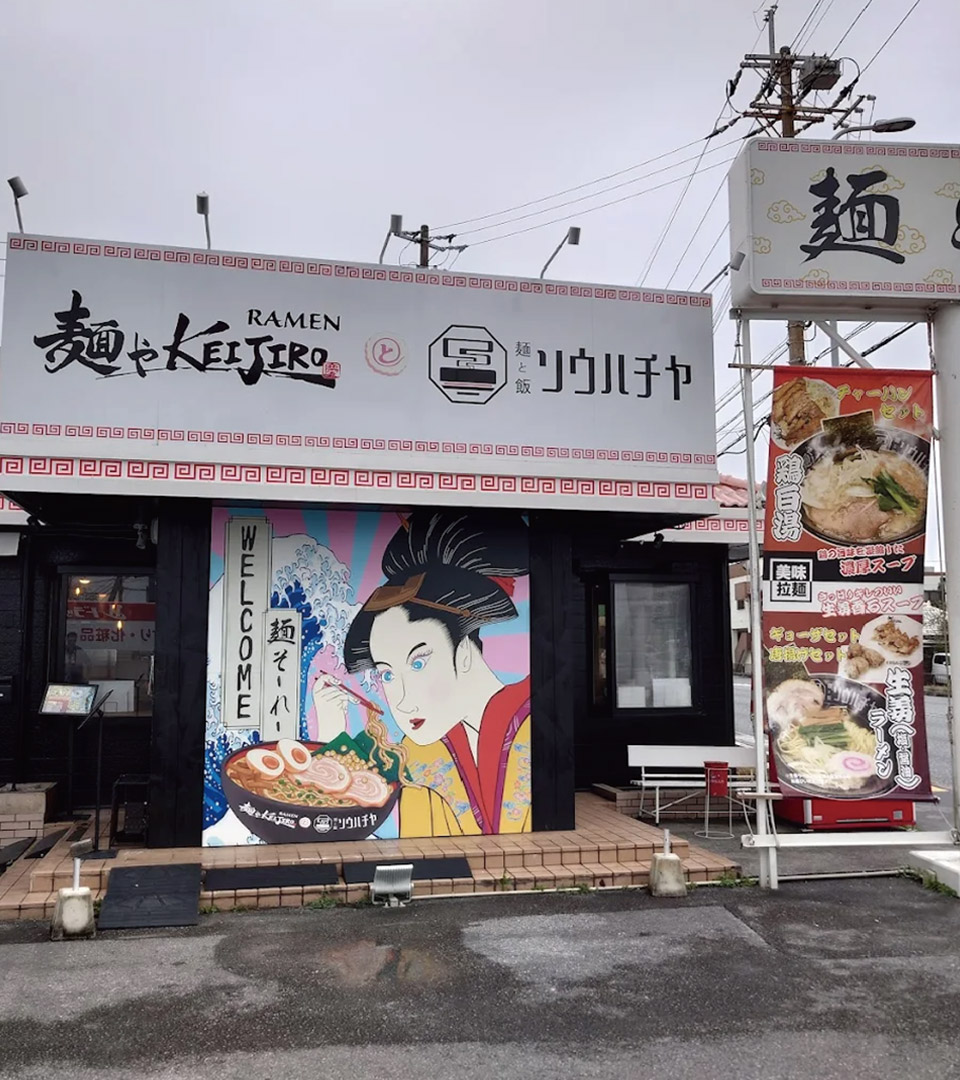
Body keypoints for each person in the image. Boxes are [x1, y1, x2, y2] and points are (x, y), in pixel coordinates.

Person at [313, 511, 530, 837]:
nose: (401, 702)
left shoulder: (532, 719)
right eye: (387, 675)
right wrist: (331, 730)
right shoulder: (419, 752)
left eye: (417, 664)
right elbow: (338, 823)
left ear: (464, 651)